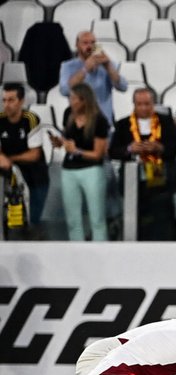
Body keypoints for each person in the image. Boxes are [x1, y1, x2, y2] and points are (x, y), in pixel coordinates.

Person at [110, 88, 176, 242]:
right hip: (132, 179)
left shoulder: (166, 122)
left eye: (147, 104)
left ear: (154, 104)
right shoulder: (123, 124)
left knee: (161, 215)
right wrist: (129, 149)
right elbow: (113, 151)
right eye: (139, 104)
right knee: (137, 216)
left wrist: (160, 148)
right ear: (134, 104)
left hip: (160, 178)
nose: (143, 108)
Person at [52, 83, 109, 243]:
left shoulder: (99, 120)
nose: (70, 101)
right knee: (72, 219)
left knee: (97, 217)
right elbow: (67, 138)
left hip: (91, 170)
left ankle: (101, 250)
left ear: (84, 100)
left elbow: (98, 154)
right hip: (69, 170)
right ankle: (76, 250)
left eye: (73, 98)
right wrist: (60, 142)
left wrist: (77, 151)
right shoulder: (68, 114)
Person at [0, 83, 48, 229]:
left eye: (11, 100)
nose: (6, 105)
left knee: (33, 218)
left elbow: (34, 155)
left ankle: (33, 230)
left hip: (34, 171)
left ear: (21, 101)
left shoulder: (31, 119)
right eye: (4, 100)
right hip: (8, 170)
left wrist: (10, 159)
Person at [58, 31, 127, 123]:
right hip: (80, 122)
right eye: (85, 43)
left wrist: (108, 66)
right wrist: (85, 69)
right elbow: (65, 91)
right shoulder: (67, 66)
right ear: (77, 45)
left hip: (104, 120)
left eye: (93, 43)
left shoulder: (108, 64)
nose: (89, 46)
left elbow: (123, 87)